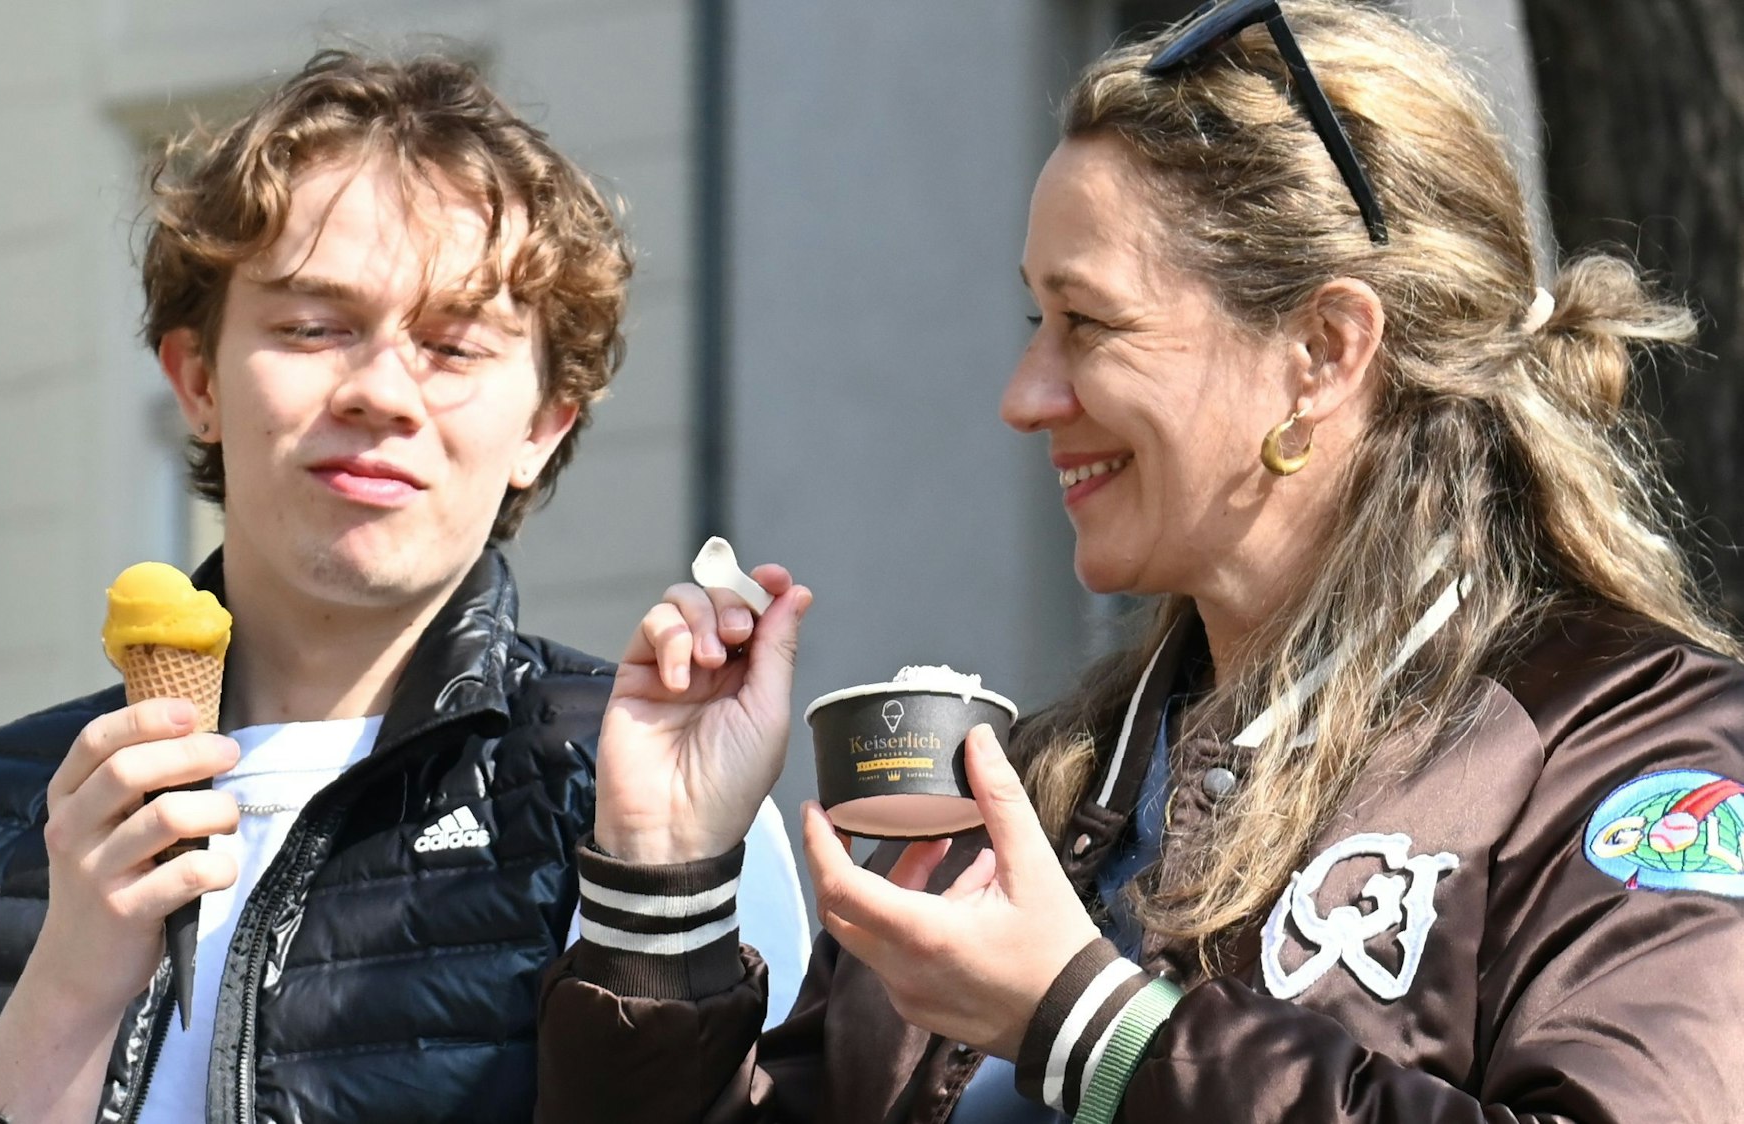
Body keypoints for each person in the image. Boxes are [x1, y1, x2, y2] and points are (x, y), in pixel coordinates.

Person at [535, 2, 1744, 1121]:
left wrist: (1091, 1025)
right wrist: (663, 881)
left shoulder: (1631, 753)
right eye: (1033, 324)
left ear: (1323, 348)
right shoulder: (1019, 788)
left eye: (1090, 324)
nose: (1023, 397)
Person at [0, 49, 809, 1124]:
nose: (380, 389)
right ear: (195, 378)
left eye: (452, 343)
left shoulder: (644, 796)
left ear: (542, 424)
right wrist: (67, 983)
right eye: (311, 327)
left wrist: (656, 885)